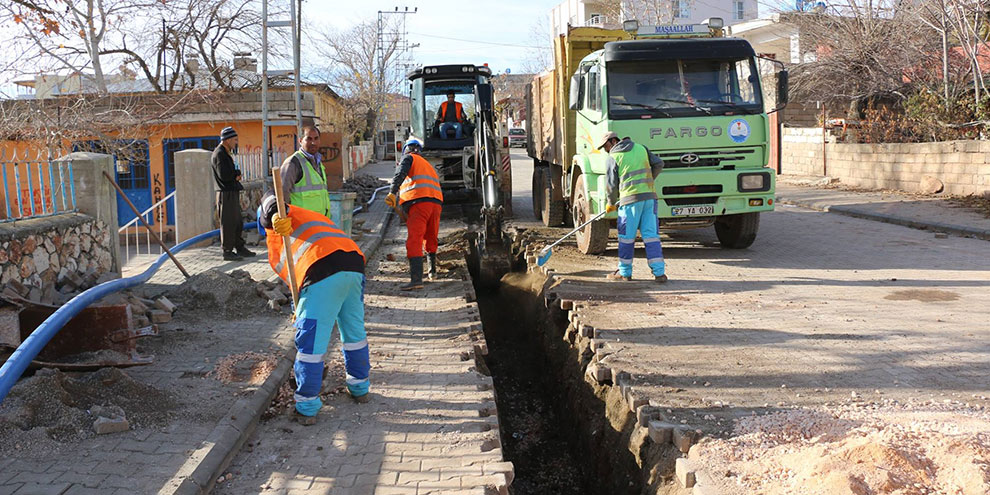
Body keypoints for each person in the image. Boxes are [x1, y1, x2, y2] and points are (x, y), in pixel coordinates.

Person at [259, 191, 371, 424]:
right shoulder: (310, 218)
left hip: (323, 270)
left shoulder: (284, 218)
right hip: (354, 265)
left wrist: (271, 215)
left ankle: (307, 406)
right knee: (354, 332)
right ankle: (360, 388)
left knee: (311, 342)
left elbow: (271, 198)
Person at [600, 131, 667, 283]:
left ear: (612, 141)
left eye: (605, 147)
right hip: (649, 199)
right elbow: (659, 164)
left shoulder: (613, 157)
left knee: (626, 238)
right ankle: (659, 273)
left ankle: (624, 273)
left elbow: (611, 186)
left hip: (629, 203)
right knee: (651, 237)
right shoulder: (641, 148)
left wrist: (610, 203)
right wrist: (648, 181)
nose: (606, 150)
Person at [385, 138, 443, 290]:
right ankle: (432, 272)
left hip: (419, 203)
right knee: (430, 236)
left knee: (415, 239)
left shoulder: (408, 158)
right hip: (436, 203)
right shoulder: (427, 165)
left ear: (406, 149)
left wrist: (392, 192)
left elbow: (400, 174)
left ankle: (416, 280)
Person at [212, 126, 255, 261]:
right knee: (228, 223)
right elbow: (224, 175)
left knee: (237, 222)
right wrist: (236, 174)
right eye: (235, 140)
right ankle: (227, 251)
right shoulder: (220, 154)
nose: (236, 143)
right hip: (226, 194)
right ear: (228, 140)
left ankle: (239, 247)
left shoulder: (225, 153)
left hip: (231, 191)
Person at [279, 125, 331, 218]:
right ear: (300, 141)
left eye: (316, 138)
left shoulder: (318, 162)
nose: (313, 142)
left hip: (320, 223)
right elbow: (282, 195)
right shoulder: (293, 163)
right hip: (301, 224)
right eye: (309, 139)